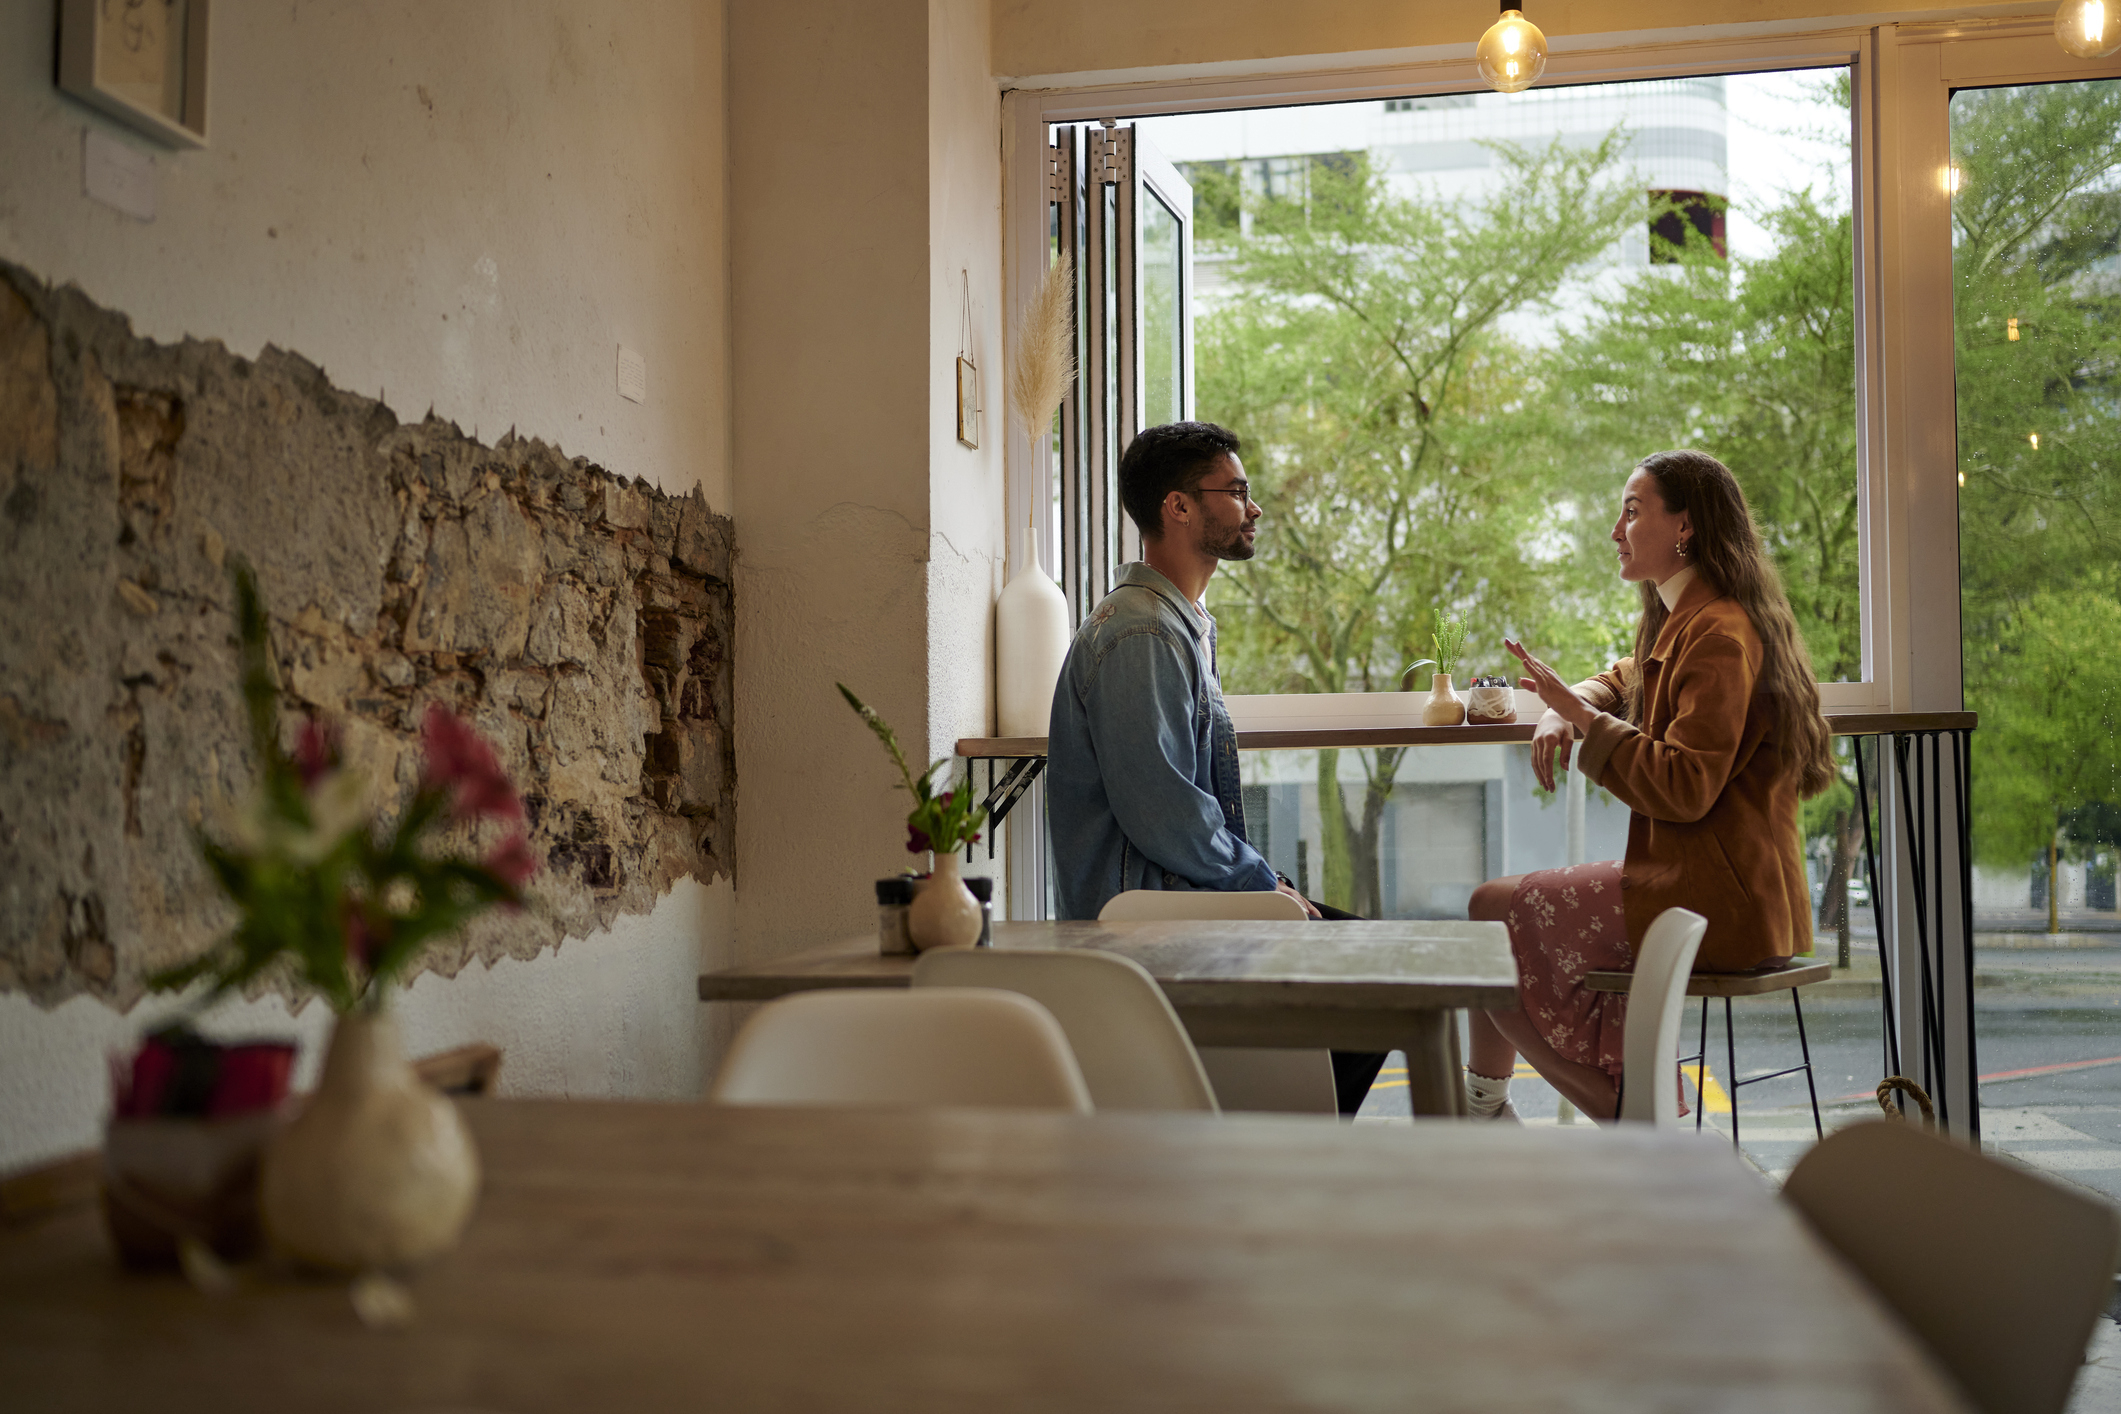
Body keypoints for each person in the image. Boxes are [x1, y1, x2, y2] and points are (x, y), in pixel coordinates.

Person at [1465, 448, 1837, 1123]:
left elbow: (1686, 784)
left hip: (1711, 903)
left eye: (1632, 512)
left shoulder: (1717, 634)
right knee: (1500, 914)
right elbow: (1626, 675)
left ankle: (1582, 1104)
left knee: (1490, 911)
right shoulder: (1690, 619)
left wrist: (1579, 718)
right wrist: (1568, 703)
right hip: (1700, 886)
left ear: (1684, 528)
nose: (1615, 529)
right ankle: (1523, 1104)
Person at [1046, 421, 1388, 1115]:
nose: (1252, 506)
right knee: (1369, 972)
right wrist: (1266, 888)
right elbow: (1165, 814)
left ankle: (1277, 1147)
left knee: (1370, 960)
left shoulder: (1173, 623)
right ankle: (1273, 1148)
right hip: (1148, 912)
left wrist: (1272, 887)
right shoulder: (1140, 633)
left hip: (1177, 892)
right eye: (1234, 491)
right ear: (1177, 507)